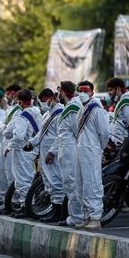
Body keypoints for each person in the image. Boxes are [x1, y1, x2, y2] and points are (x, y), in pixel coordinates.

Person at [74, 81, 110, 230]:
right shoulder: (82, 109)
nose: (82, 93)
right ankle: (87, 215)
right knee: (80, 184)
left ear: (91, 93)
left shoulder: (97, 109)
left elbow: (105, 133)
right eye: (80, 90)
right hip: (80, 149)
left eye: (85, 90)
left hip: (92, 149)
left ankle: (96, 217)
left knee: (92, 183)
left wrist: (99, 149)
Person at [26, 88, 65, 222]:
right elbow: (41, 133)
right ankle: (54, 209)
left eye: (43, 101)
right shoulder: (47, 114)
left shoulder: (60, 113)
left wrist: (52, 152)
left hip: (52, 154)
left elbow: (60, 135)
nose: (42, 103)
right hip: (44, 153)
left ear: (51, 98)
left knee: (56, 181)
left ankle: (59, 211)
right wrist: (32, 143)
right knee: (48, 181)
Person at [6, 89, 42, 218]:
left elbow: (18, 135)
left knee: (22, 180)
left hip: (22, 149)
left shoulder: (24, 115)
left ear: (20, 101)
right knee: (27, 178)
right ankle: (26, 205)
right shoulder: (37, 112)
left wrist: (9, 146)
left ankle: (26, 207)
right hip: (32, 149)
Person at [55, 81, 83, 226]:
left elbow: (76, 130)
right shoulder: (70, 106)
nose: (58, 94)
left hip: (71, 151)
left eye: (59, 91)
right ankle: (74, 215)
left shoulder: (73, 107)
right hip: (66, 150)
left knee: (72, 183)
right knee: (68, 183)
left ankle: (77, 217)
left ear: (64, 92)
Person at [107, 78, 129, 145]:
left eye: (111, 90)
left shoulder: (126, 102)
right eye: (108, 90)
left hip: (126, 143)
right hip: (121, 141)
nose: (109, 93)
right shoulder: (121, 101)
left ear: (118, 89)